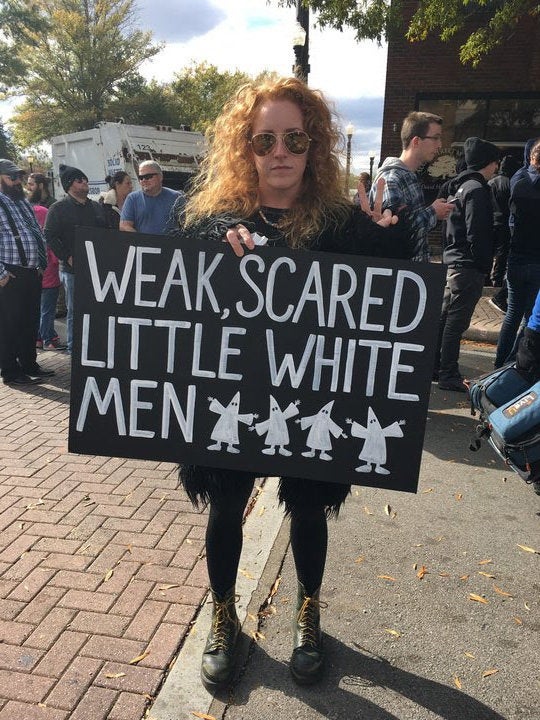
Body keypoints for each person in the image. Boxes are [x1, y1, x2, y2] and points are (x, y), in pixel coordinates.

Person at [174, 77, 416, 691]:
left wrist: (390, 236)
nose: (279, 151)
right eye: (264, 140)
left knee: (310, 507)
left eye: (294, 138)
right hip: (233, 395)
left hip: (314, 398)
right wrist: (213, 238)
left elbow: (389, 305)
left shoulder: (342, 223)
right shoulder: (214, 220)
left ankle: (309, 609)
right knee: (226, 504)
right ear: (245, 148)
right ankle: (223, 612)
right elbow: (169, 281)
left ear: (314, 146)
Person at [433, 137, 500, 392]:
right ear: (489, 163)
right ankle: (448, 373)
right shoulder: (477, 190)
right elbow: (478, 233)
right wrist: (483, 264)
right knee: (456, 322)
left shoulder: (458, 187)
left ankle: (436, 366)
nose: (496, 168)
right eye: (495, 163)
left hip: (453, 262)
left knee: (445, 318)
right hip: (467, 266)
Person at [370, 111, 454, 262]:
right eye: (435, 138)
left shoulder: (408, 177)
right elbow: (395, 228)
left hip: (411, 274)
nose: (440, 145)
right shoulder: (391, 179)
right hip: (400, 275)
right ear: (416, 141)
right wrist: (433, 212)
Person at [0, 158, 54, 385]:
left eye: (19, 177)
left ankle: (29, 364)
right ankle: (11, 371)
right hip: (10, 273)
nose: (17, 181)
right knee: (9, 324)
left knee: (29, 322)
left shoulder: (22, 202)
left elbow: (36, 232)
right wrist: (1, 273)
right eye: (12, 177)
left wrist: (41, 265)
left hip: (31, 272)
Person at [44, 164, 106, 355]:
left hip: (98, 267)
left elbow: (105, 234)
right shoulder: (58, 208)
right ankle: (74, 349)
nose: (85, 182)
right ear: (70, 185)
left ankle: (95, 347)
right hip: (73, 270)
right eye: (80, 180)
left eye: (85, 179)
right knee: (75, 311)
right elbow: (50, 236)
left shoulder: (95, 206)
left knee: (97, 309)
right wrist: (67, 257)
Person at [494, 139, 540, 368]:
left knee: (512, 314)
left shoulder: (518, 181)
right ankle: (513, 365)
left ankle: (499, 362)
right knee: (529, 318)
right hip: (537, 261)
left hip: (516, 257)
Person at [487, 154, 522, 313]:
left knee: (489, 250)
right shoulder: (511, 184)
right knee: (502, 251)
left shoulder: (491, 182)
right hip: (504, 222)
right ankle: (497, 278)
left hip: (490, 221)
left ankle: (487, 276)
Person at [119, 160, 180, 234]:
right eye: (141, 177)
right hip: (142, 245)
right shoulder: (132, 199)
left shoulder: (176, 197)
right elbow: (124, 226)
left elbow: (187, 226)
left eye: (148, 177)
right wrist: (144, 241)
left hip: (170, 245)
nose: (144, 180)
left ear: (160, 177)